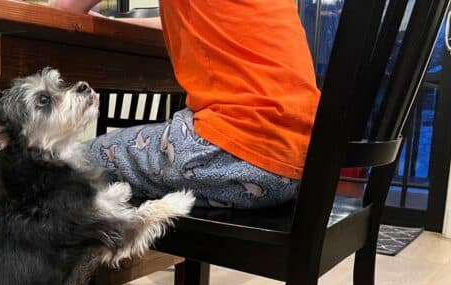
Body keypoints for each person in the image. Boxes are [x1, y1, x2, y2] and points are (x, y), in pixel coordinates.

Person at [50, 0, 321, 209]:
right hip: (303, 166)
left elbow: (65, 8)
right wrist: (109, 20)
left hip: (235, 153)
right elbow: (175, 26)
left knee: (57, 164)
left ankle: (46, 277)